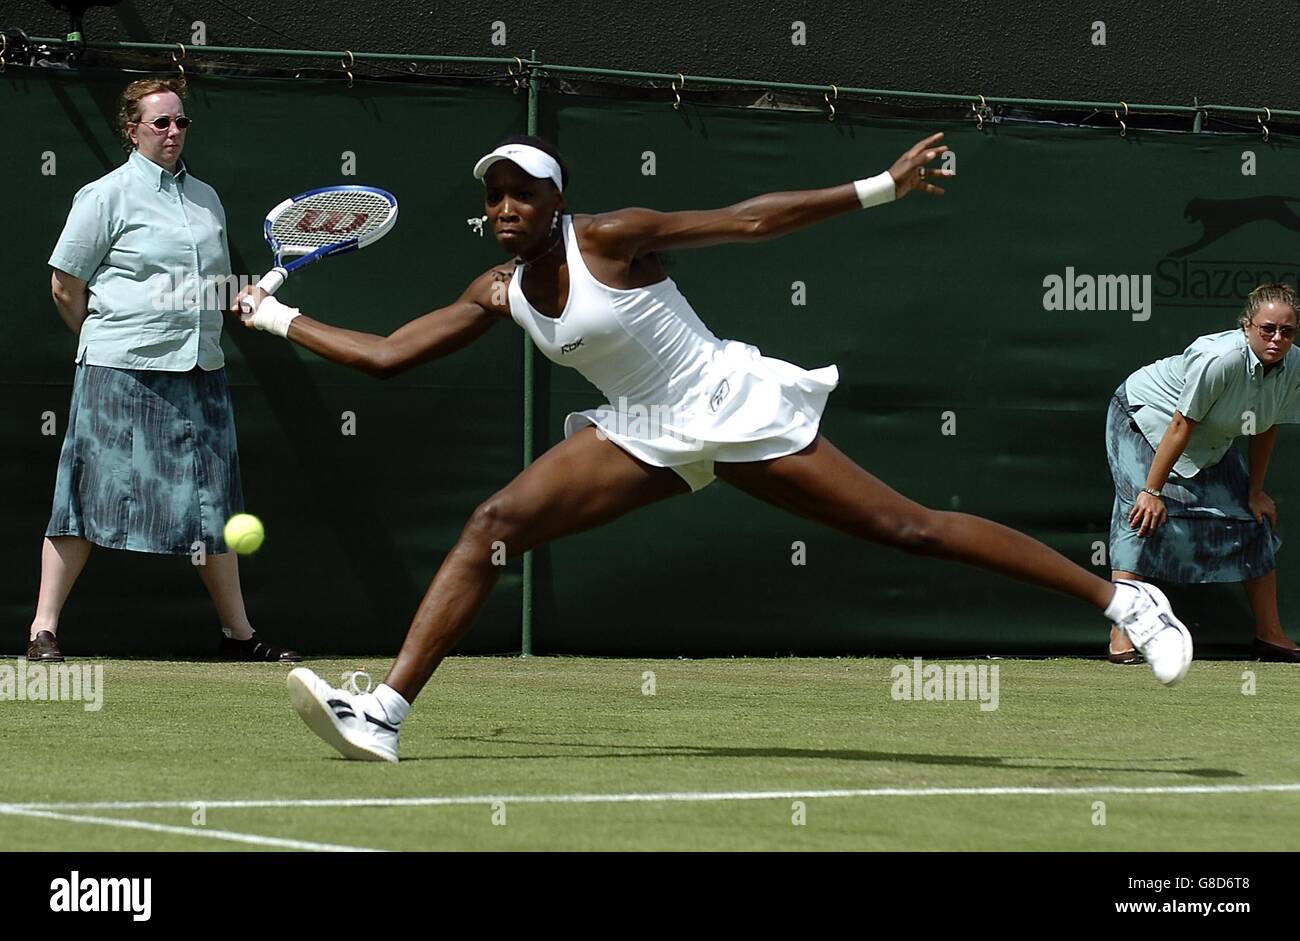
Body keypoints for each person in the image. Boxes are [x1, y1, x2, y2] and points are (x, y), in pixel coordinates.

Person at [236, 133, 1191, 763]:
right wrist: (279, 318)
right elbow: (393, 355)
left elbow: (749, 219)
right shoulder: (498, 288)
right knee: (495, 522)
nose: (505, 208)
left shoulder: (610, 238)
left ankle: (1123, 598)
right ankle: (387, 713)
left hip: (728, 401)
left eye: (521, 193)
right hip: (640, 430)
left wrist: (880, 189)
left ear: (555, 199)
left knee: (912, 530)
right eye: (494, 198)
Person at [30, 77, 299, 664]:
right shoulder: (103, 196)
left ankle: (237, 635)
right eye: (161, 122)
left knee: (214, 504)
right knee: (83, 496)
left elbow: (213, 288)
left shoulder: (206, 198)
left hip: (200, 369)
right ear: (132, 129)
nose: (174, 132)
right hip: (117, 370)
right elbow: (64, 285)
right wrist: (105, 341)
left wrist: (245, 298)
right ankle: (43, 630)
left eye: (181, 122)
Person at [1105, 283, 1300, 665]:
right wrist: (1151, 489)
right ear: (1247, 327)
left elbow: (1266, 425)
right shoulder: (1221, 359)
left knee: (1253, 517)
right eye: (1267, 329)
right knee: (1140, 515)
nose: (1277, 338)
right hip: (1145, 418)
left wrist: (1255, 490)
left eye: (1287, 331)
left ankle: (1270, 634)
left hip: (1206, 438)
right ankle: (1122, 631)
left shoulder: (1294, 366)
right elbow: (1180, 424)